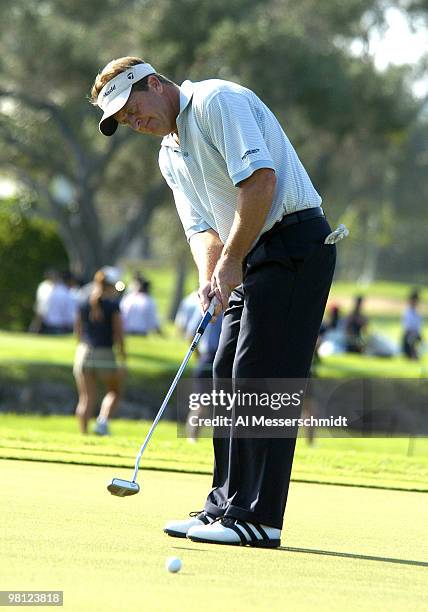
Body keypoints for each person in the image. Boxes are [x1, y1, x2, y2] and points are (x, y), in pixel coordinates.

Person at [90, 57, 340, 548]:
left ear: (155, 84)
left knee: (258, 376)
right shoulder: (169, 154)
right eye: (122, 119)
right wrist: (212, 278)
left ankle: (259, 516)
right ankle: (225, 505)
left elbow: (260, 182)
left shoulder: (215, 102)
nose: (133, 121)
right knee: (223, 370)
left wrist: (231, 260)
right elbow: (201, 227)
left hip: (293, 245)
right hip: (247, 252)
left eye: (132, 106)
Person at [74, 269, 126, 435]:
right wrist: (123, 357)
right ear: (110, 286)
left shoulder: (83, 301)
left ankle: (84, 435)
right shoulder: (112, 305)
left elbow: (78, 331)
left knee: (86, 398)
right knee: (114, 391)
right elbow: (119, 334)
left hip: (83, 352)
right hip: (104, 353)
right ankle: (102, 423)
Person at [402, 290, 423, 360]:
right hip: (408, 336)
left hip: (416, 335)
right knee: (412, 339)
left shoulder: (417, 313)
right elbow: (407, 327)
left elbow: (418, 328)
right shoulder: (407, 312)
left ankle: (416, 353)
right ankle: (413, 354)